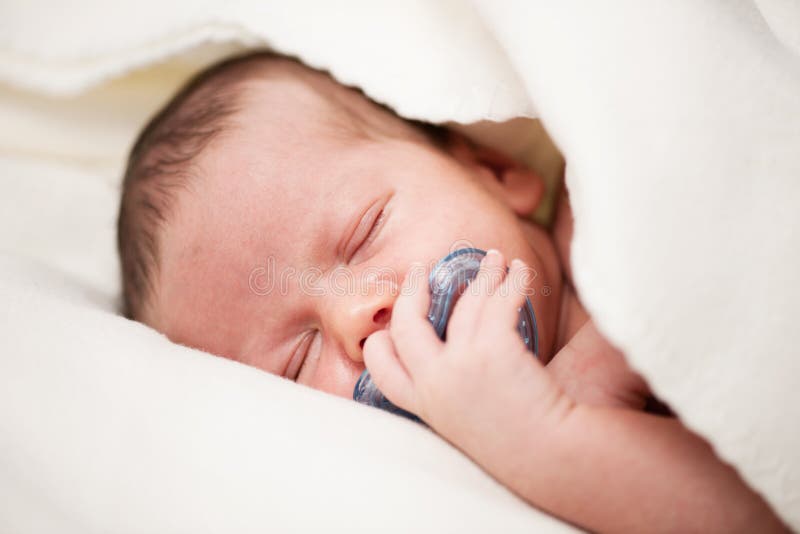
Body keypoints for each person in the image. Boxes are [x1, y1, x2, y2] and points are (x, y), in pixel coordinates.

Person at [117, 52, 786, 533]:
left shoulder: (615, 217)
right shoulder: (457, 493)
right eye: (296, 361)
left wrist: (561, 419)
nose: (357, 316)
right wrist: (542, 441)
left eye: (364, 231)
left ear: (497, 172)